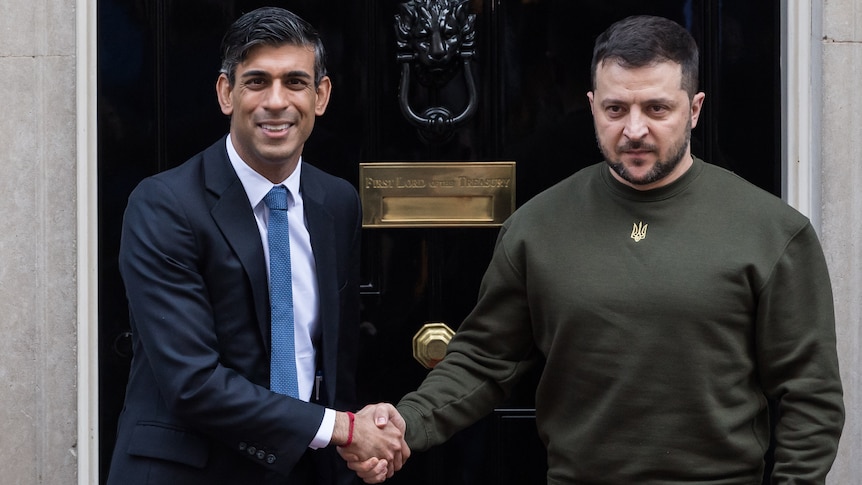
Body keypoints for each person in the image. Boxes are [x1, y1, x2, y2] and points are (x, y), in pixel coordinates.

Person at [348, 14, 844, 484]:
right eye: (615, 109)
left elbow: (809, 395)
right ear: (591, 107)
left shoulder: (772, 231)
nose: (633, 130)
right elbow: (484, 359)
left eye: (656, 108)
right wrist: (405, 424)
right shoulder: (538, 226)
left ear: (693, 108)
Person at [107, 7, 407, 485]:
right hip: (190, 472)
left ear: (321, 95)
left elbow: (332, 361)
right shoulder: (163, 206)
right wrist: (342, 429)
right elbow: (193, 383)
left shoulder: (337, 202)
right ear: (226, 93)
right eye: (256, 82)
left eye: (294, 82)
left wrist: (355, 445)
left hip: (307, 468)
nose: (276, 101)